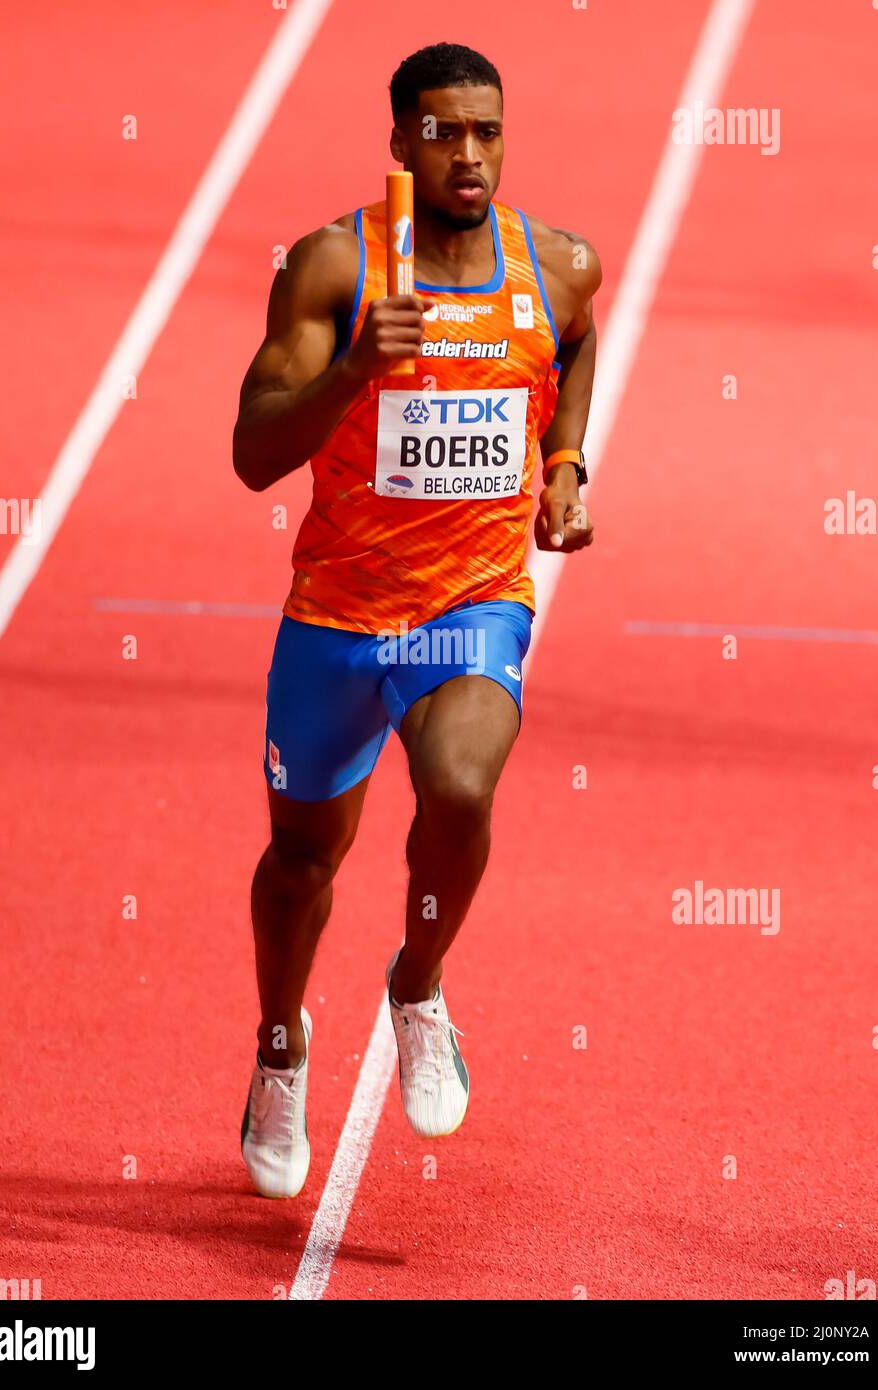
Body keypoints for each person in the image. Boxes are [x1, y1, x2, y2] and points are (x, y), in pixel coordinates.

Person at [233, 42, 601, 1198]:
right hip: (338, 614)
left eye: (487, 131)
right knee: (303, 862)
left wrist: (563, 467)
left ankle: (418, 984)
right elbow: (252, 453)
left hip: (473, 601)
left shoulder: (556, 265)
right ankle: (281, 1045)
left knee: (460, 785)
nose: (469, 154)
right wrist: (354, 371)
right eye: (443, 132)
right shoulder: (333, 266)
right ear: (400, 141)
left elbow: (576, 343)